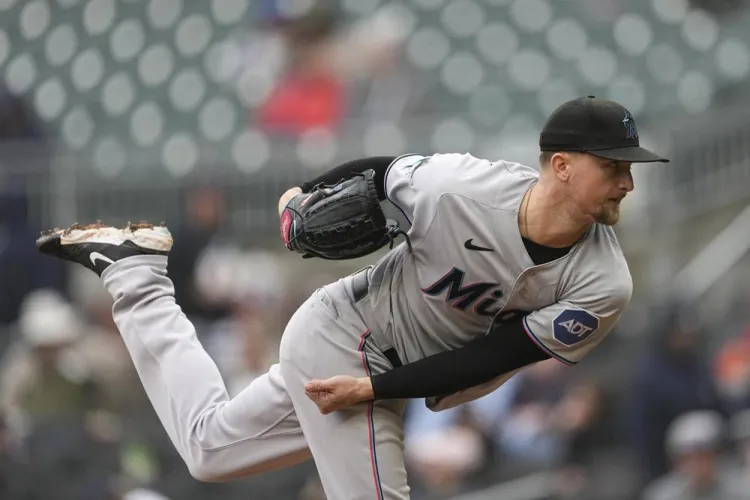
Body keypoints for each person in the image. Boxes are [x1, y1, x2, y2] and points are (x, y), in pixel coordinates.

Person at [35, 96, 669, 500]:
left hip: (384, 373)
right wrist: (298, 199)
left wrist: (374, 391)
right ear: (561, 166)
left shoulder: (603, 284)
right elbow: (378, 170)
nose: (628, 182)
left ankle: (135, 276)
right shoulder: (460, 189)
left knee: (207, 449)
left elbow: (493, 357)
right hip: (350, 337)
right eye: (613, 167)